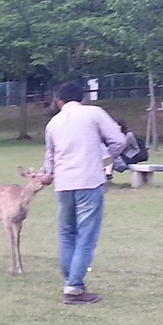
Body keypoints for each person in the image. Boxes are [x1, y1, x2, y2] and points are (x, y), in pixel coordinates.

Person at [40, 82, 126, 305]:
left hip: (63, 184)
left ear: (59, 100)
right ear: (83, 98)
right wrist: (104, 159)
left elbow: (50, 157)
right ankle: (74, 288)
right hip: (89, 181)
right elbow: (118, 140)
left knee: (67, 234)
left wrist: (48, 174)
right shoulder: (93, 113)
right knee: (86, 236)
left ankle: (72, 282)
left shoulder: (53, 123)